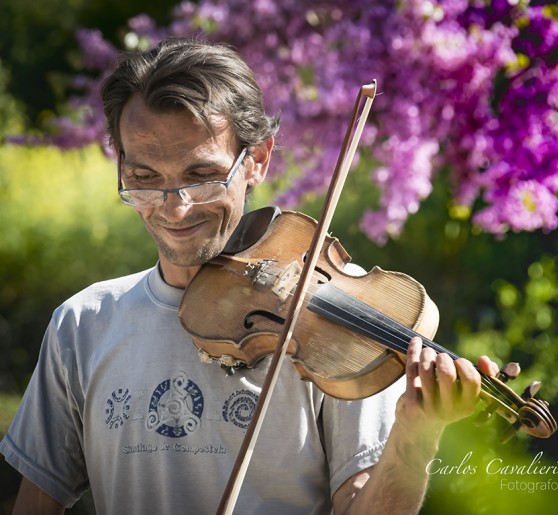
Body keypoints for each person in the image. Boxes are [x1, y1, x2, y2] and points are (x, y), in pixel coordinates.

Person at [0, 37, 497, 514]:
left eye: (201, 175)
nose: (175, 208)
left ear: (257, 159)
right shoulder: (82, 324)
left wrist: (415, 440)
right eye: (145, 179)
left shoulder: (339, 336)